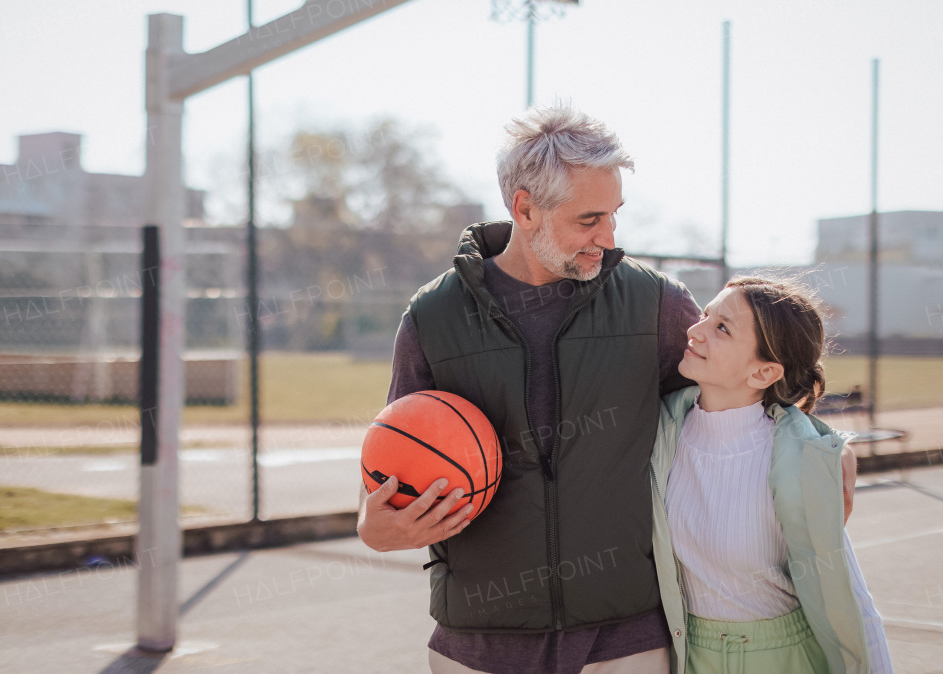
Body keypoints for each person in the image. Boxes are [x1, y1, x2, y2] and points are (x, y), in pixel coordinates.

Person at [358, 102, 856, 674]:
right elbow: (393, 459)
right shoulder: (434, 316)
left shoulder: (655, 303)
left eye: (615, 214)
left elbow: (736, 398)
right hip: (480, 639)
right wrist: (373, 526)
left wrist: (818, 445)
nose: (609, 236)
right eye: (589, 220)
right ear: (525, 209)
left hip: (628, 635)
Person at [650, 277, 892, 674]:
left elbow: (852, 604)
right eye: (706, 315)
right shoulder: (660, 432)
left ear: (763, 374)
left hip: (785, 658)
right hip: (689, 656)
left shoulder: (798, 460)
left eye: (722, 327)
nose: (695, 330)